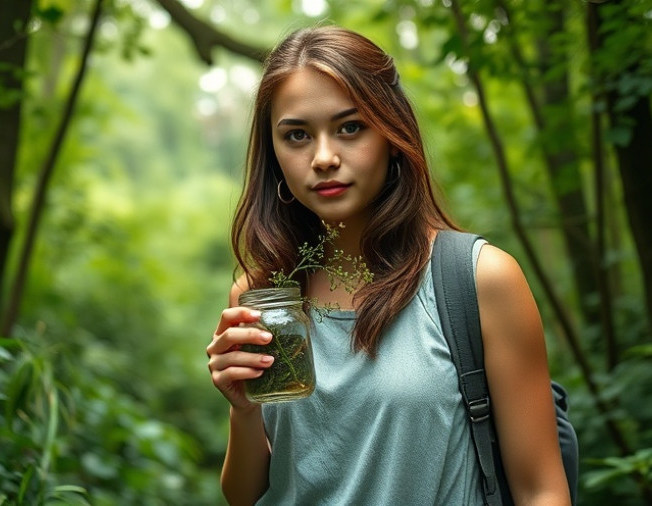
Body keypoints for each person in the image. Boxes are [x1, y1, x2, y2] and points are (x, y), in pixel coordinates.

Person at [206, 25, 571, 505]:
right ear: (273, 155)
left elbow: (542, 490)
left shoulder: (479, 281)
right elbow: (246, 494)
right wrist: (243, 411)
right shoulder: (264, 297)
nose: (323, 157)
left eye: (350, 127)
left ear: (392, 134)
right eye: (296, 135)